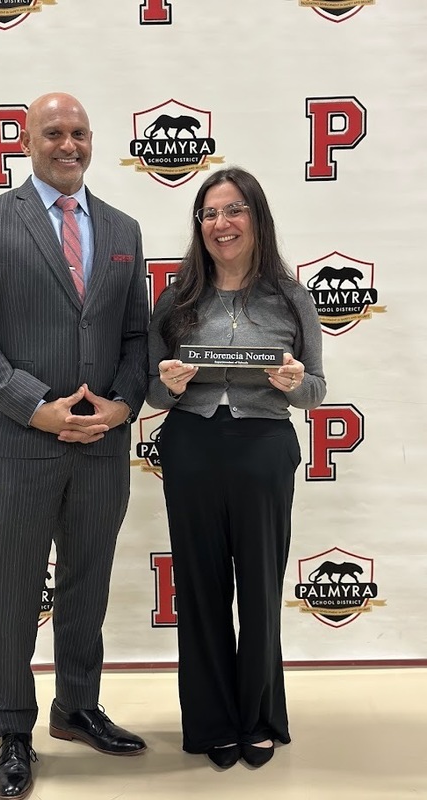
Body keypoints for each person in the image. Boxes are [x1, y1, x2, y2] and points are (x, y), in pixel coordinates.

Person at [0, 92, 149, 800]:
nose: (68, 145)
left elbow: (135, 336)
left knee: (86, 584)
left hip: (101, 444)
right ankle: (12, 730)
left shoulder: (123, 227)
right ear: (26, 142)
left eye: (79, 133)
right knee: (7, 592)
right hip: (19, 446)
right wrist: (35, 409)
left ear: (92, 141)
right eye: (53, 133)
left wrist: (123, 403)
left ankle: (76, 706)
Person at [147, 167, 326, 770]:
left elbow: (316, 390)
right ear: (198, 226)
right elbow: (152, 391)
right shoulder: (176, 299)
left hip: (263, 449)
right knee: (200, 590)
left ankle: (259, 717)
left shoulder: (291, 297)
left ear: (256, 218)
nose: (221, 224)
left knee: (259, 586)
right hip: (191, 446)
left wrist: (297, 384)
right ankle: (211, 720)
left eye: (234, 211)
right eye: (209, 214)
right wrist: (168, 386)